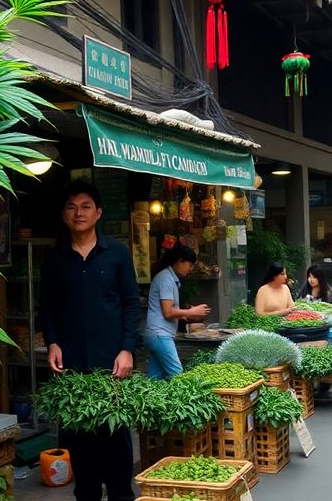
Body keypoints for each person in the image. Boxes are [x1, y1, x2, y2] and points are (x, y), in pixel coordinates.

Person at [40, 180, 140, 501]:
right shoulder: (55, 259)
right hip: (72, 372)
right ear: (64, 215)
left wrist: (127, 348)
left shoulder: (117, 254)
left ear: (98, 213)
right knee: (79, 449)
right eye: (72, 207)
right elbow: (48, 306)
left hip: (112, 368)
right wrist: (52, 342)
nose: (78, 213)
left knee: (116, 444)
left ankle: (121, 495)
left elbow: (131, 303)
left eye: (85, 207)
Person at [144, 244, 210, 379]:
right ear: (180, 261)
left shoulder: (169, 278)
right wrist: (191, 312)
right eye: (190, 265)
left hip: (155, 334)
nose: (190, 269)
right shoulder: (166, 279)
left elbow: (168, 311)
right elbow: (168, 312)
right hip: (160, 335)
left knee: (155, 379)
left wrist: (188, 314)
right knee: (178, 377)